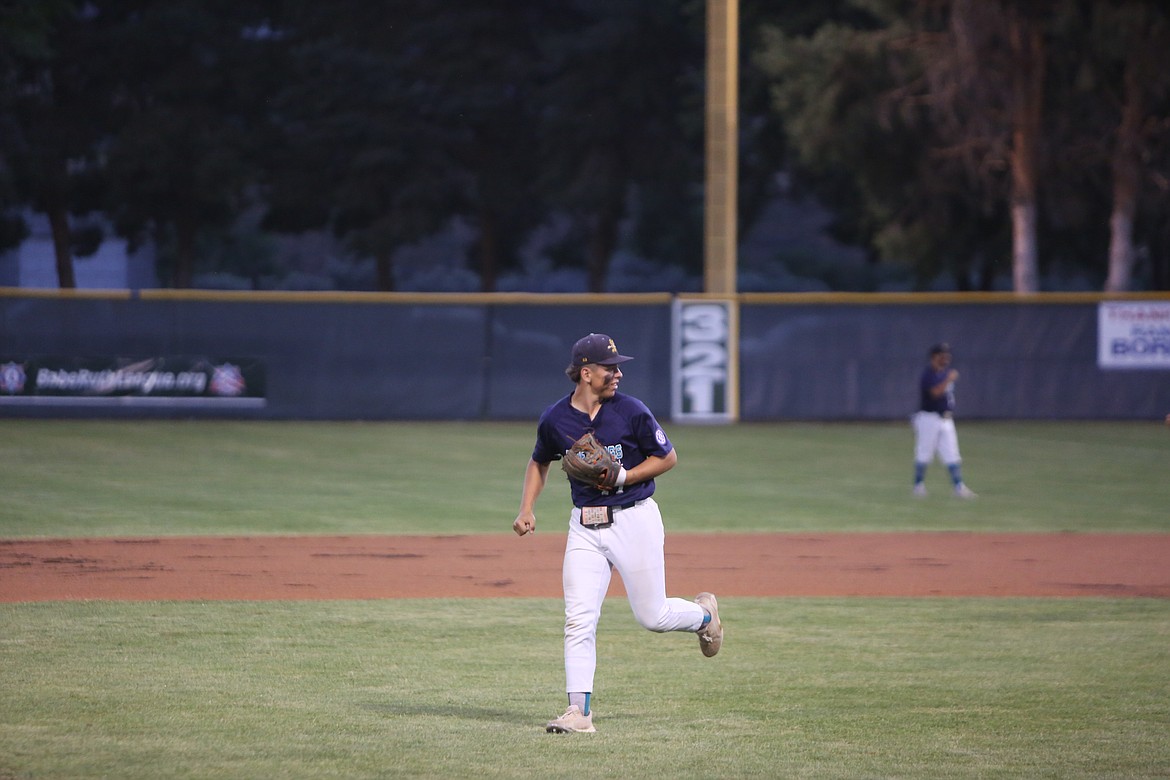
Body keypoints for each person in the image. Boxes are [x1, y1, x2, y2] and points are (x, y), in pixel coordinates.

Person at [512, 332, 723, 734]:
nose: (618, 374)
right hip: (584, 527)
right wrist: (527, 508)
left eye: (618, 367)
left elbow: (668, 457)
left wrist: (625, 476)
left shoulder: (631, 411)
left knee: (653, 616)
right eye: (610, 368)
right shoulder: (556, 418)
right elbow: (539, 462)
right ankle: (580, 713)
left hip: (635, 519)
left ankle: (705, 615)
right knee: (578, 620)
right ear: (586, 372)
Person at [912, 342, 977, 498]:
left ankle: (959, 486)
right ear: (934, 357)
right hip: (929, 417)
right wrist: (948, 379)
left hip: (946, 418)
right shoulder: (929, 374)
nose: (946, 359)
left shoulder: (944, 373)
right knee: (924, 452)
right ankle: (918, 486)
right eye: (943, 356)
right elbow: (935, 393)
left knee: (952, 453)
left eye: (947, 356)